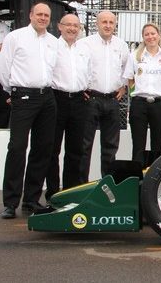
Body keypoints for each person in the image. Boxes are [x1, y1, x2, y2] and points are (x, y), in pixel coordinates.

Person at [0, 3, 58, 219]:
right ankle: (10, 203)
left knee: (42, 149)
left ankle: (31, 200)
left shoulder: (53, 42)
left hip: (47, 97)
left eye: (46, 15)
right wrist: (13, 90)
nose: (42, 18)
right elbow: (3, 68)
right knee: (17, 147)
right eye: (39, 14)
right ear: (30, 15)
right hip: (23, 95)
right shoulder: (15, 37)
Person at [45, 14, 91, 200]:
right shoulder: (52, 47)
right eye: (68, 25)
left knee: (76, 150)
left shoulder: (84, 49)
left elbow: (88, 73)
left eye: (76, 26)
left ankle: (70, 193)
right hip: (57, 99)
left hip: (80, 101)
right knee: (52, 149)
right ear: (59, 26)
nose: (72, 29)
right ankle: (53, 193)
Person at [79, 11, 129, 181]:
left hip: (113, 100)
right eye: (104, 22)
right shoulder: (85, 44)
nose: (108, 25)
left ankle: (108, 185)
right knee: (84, 146)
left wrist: (123, 87)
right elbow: (78, 67)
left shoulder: (121, 45)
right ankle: (80, 186)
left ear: (115, 25)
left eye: (111, 22)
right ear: (97, 24)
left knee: (110, 146)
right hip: (90, 100)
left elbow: (126, 69)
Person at [122, 24, 161, 165]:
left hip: (159, 104)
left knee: (158, 145)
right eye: (147, 34)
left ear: (159, 35)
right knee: (138, 145)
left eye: (153, 33)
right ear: (143, 37)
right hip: (139, 104)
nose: (150, 37)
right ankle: (137, 178)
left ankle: (155, 177)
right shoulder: (134, 56)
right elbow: (130, 79)